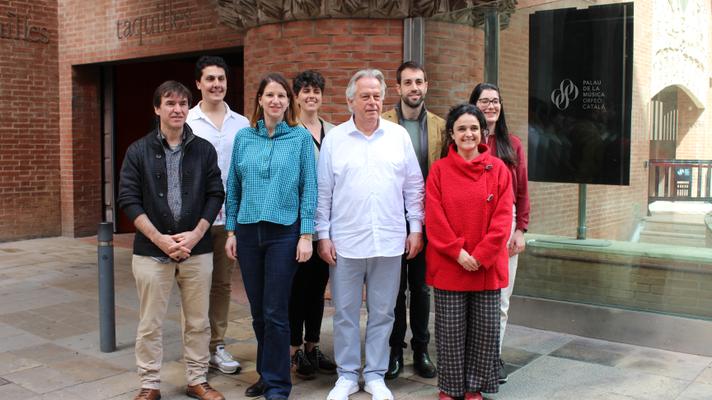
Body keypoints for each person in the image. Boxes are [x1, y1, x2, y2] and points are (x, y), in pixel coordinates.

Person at [316, 69, 424, 400]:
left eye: (377, 95)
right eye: (365, 96)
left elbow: (413, 187)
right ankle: (347, 375)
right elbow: (323, 192)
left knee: (383, 312)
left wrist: (416, 228)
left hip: (389, 242)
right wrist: (323, 234)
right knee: (346, 313)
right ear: (350, 100)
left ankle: (375, 374)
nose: (372, 102)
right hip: (346, 243)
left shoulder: (397, 137)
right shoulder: (335, 140)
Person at [118, 81, 226, 400]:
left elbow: (215, 193)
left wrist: (195, 235)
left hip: (197, 249)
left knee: (197, 321)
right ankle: (150, 384)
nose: (177, 109)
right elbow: (128, 198)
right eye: (170, 103)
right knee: (150, 323)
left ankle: (197, 379)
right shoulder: (138, 151)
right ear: (157, 108)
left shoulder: (203, 149)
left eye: (182, 104)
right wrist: (161, 239)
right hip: (152, 251)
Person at [224, 73, 317, 400]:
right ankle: (267, 373)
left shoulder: (300, 139)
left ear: (288, 102)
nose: (276, 101)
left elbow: (309, 190)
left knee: (276, 310)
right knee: (258, 312)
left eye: (282, 96)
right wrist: (231, 229)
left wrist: (306, 234)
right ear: (259, 100)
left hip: (284, 233)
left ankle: (278, 385)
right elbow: (233, 186)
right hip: (249, 233)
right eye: (270, 95)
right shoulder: (244, 138)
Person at [425, 104, 513, 400]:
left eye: (474, 128)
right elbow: (434, 218)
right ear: (451, 133)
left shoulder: (499, 169)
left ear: (482, 132)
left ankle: (474, 386)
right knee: (450, 333)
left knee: (484, 331)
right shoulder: (438, 171)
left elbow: (503, 219)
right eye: (461, 128)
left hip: (486, 266)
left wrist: (481, 255)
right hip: (451, 264)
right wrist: (459, 253)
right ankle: (450, 387)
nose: (468, 134)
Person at [187, 55, 250, 375]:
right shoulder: (185, 121)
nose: (216, 85)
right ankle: (195, 348)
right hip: (194, 221)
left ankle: (217, 345)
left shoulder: (242, 124)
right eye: (210, 79)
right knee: (193, 284)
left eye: (221, 79)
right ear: (198, 83)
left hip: (229, 220)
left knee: (222, 285)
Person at [381, 60, 444, 380]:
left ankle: (421, 349)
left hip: (429, 221)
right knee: (394, 289)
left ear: (426, 86)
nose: (414, 88)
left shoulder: (440, 126)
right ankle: (394, 350)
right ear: (398, 88)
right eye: (408, 82)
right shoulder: (383, 123)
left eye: (419, 82)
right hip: (392, 219)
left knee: (421, 288)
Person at [468, 83, 530, 384]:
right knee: (473, 296)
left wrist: (520, 229)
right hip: (470, 224)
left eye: (495, 101)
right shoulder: (463, 140)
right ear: (473, 105)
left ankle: (492, 357)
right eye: (484, 101)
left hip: (506, 226)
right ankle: (469, 357)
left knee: (500, 299)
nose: (490, 106)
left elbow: (522, 191)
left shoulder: (512, 145)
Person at [288, 70, 338, 380]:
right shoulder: (289, 131)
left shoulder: (333, 131)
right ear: (296, 96)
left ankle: (312, 346)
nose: (311, 96)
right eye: (305, 91)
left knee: (318, 289)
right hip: (297, 224)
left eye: (316, 90)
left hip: (326, 223)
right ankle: (294, 350)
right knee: (297, 289)